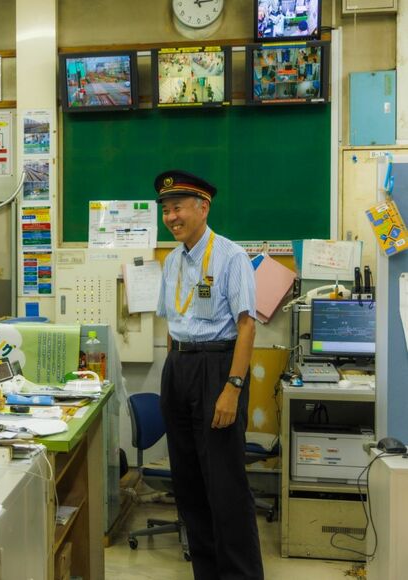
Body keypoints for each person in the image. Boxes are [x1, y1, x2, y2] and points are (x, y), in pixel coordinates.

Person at [154, 170, 263, 579]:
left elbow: (247, 327)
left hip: (218, 367)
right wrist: (173, 371)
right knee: (188, 483)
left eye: (177, 207)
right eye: (166, 209)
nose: (171, 216)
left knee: (225, 485)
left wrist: (233, 387)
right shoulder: (172, 261)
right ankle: (207, 572)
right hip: (180, 367)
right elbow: (172, 321)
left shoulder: (231, 257)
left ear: (203, 207)